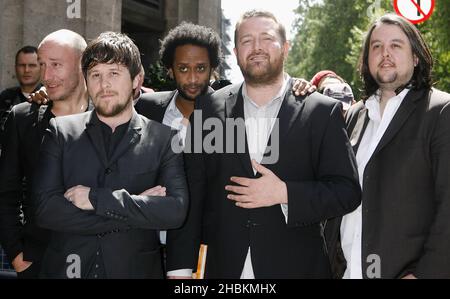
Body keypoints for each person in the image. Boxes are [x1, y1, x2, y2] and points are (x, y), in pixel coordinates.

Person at [167, 10, 361, 279]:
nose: (256, 47)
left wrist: (285, 194)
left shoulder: (321, 112)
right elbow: (191, 191)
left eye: (266, 38)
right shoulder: (209, 108)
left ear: (286, 47)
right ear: (235, 52)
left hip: (299, 269)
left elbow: (347, 191)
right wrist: (179, 269)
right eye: (247, 40)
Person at [32, 32, 188, 279]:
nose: (104, 85)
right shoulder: (61, 131)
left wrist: (96, 198)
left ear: (137, 80)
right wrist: (136, 211)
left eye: (114, 74)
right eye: (95, 75)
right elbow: (45, 209)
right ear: (86, 81)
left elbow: (175, 211)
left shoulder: (164, 139)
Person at [339, 13, 450, 279]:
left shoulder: (441, 111)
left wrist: (426, 274)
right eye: (376, 47)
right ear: (367, 60)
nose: (385, 53)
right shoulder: (355, 115)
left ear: (415, 56)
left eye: (396, 46)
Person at [0, 29, 90, 279]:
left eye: (56, 65)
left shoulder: (106, 116)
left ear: (82, 63)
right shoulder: (22, 118)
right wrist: (18, 256)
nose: (46, 76)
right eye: (42, 65)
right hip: (39, 263)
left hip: (98, 261)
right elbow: (6, 194)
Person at [0, 46, 42, 149]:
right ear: (15, 67)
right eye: (22, 65)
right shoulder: (5, 97)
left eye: (32, 65)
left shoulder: (47, 97)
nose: (26, 70)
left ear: (41, 67)